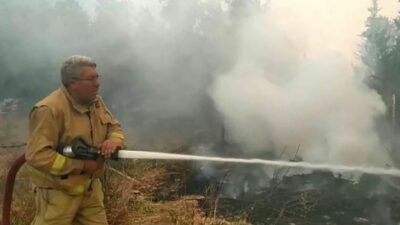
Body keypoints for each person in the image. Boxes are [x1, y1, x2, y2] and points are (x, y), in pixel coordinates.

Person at [25, 55, 125, 225]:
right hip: (57, 194)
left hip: (90, 189)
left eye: (97, 77)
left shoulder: (96, 102)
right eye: (91, 78)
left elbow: (114, 127)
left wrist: (114, 141)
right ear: (73, 83)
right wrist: (82, 165)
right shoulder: (48, 110)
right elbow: (37, 155)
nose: (97, 83)